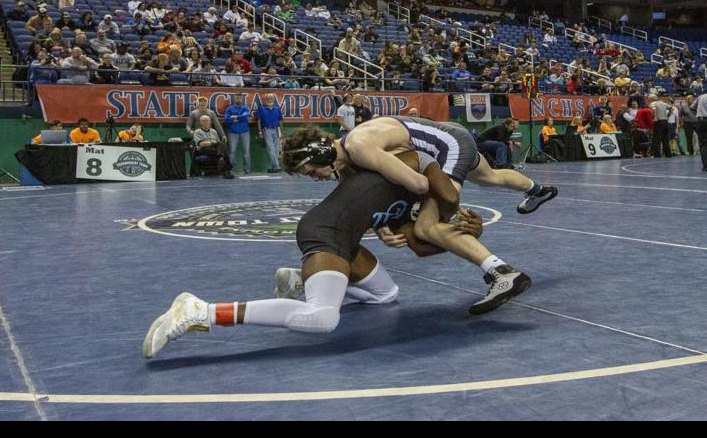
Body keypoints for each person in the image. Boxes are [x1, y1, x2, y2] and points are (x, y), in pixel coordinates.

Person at [142, 118, 528, 359]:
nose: (316, 177)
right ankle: (201, 312)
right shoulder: (406, 165)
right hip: (327, 234)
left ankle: (301, 280)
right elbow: (434, 196)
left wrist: (436, 221)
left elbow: (422, 243)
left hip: (342, 234)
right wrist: (453, 216)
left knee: (387, 295)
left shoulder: (382, 160)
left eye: (312, 171)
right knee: (322, 319)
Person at [257, 93, 285, 172]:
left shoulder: (277, 108)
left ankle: (271, 167)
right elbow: (258, 121)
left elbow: (280, 121)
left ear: (273, 99)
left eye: (271, 98)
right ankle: (277, 166)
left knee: (276, 149)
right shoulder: (261, 108)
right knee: (270, 149)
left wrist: (282, 132)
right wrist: (260, 131)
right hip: (267, 130)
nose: (270, 100)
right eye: (268, 98)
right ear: (266, 99)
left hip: (276, 130)